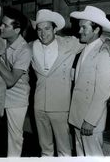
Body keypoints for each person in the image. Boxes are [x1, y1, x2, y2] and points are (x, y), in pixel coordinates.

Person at [30, 9, 84, 156]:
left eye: (47, 29)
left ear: (55, 29)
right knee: (45, 149)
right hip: (39, 106)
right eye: (39, 30)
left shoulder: (69, 43)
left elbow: (93, 40)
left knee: (64, 149)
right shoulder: (31, 46)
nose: (43, 33)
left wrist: (108, 42)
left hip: (60, 105)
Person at [68, 6, 110, 156]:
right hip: (78, 116)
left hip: (90, 121)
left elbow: (102, 92)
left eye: (84, 27)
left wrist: (90, 120)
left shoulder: (104, 53)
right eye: (79, 26)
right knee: (81, 155)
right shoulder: (85, 47)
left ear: (95, 30)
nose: (79, 31)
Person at [0, 6, 32, 157]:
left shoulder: (24, 50)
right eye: (1, 23)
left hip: (16, 98)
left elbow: (11, 80)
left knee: (14, 138)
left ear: (17, 30)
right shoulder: (2, 40)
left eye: (5, 25)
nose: (1, 27)